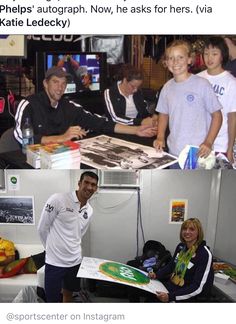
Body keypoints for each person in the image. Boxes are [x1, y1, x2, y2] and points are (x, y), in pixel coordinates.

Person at [14, 66, 156, 146]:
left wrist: (136, 130)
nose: (60, 88)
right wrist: (61, 137)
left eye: (63, 83)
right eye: (55, 82)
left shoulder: (68, 105)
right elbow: (21, 137)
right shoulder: (28, 104)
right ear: (45, 83)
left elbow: (101, 123)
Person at [153, 40, 222, 161]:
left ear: (190, 59)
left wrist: (209, 142)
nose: (175, 62)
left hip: (198, 152)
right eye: (171, 58)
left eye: (180, 57)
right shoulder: (166, 87)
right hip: (174, 152)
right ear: (166, 62)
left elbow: (217, 115)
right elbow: (163, 114)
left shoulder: (202, 84)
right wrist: (160, 136)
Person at [37, 171, 98, 303]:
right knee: (52, 300)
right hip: (54, 263)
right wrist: (50, 249)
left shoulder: (90, 210)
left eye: (93, 185)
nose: (89, 187)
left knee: (68, 295)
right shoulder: (58, 199)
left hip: (75, 262)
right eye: (86, 183)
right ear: (79, 183)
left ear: (96, 188)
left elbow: (79, 233)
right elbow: (42, 228)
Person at [149, 218, 214, 302]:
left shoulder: (204, 254)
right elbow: (171, 265)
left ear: (199, 232)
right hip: (173, 287)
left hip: (188, 296)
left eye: (192, 229)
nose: (187, 232)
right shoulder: (181, 247)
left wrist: (170, 297)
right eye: (184, 228)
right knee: (147, 294)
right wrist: (156, 275)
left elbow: (197, 287)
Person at [198, 37, 236, 163]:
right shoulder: (197, 78)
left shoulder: (231, 83)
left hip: (220, 144)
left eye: (214, 54)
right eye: (206, 53)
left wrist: (230, 148)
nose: (209, 58)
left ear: (222, 56)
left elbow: (232, 117)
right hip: (196, 142)